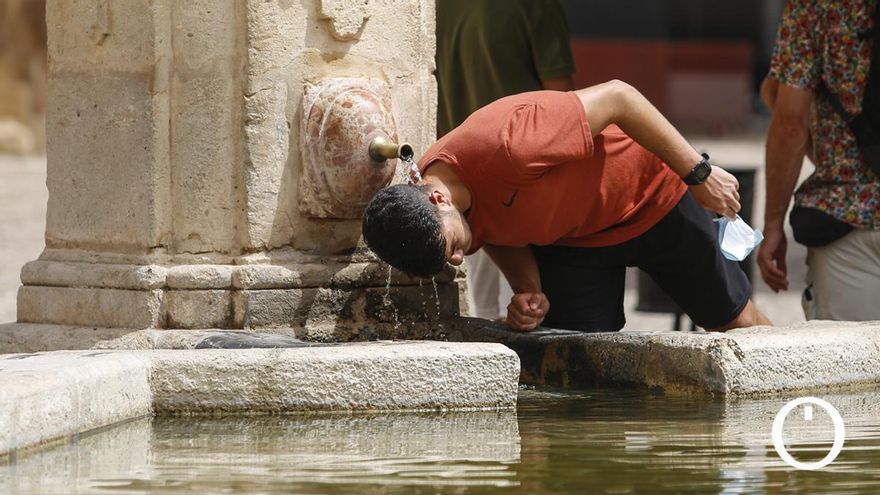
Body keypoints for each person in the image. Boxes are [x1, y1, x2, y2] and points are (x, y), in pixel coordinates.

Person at [363, 81, 772, 332]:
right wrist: (529, 290)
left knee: (736, 323)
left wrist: (696, 174)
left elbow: (620, 97)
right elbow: (494, 231)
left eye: (452, 247)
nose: (457, 258)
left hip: (649, 199)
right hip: (573, 245)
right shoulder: (440, 208)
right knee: (580, 365)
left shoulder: (510, 143)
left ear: (438, 198)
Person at [436, 0, 575, 321]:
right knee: (535, 311)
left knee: (481, 314)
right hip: (532, 185)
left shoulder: (436, 7)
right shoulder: (536, 6)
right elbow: (565, 103)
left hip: (464, 183)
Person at [757, 0, 880, 320]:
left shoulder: (817, 6)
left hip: (848, 221)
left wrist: (773, 225)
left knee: (855, 366)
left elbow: (789, 121)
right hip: (850, 220)